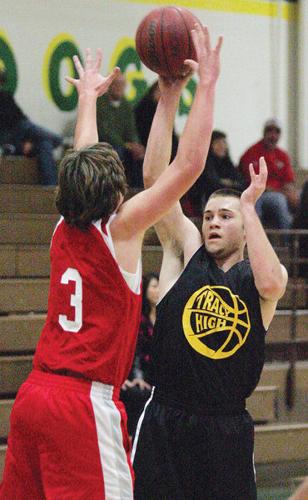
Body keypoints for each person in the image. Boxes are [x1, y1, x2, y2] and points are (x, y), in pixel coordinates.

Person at [0, 23, 223, 499]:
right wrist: (202, 88)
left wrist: (88, 100)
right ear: (116, 193)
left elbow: (82, 155)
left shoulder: (65, 224)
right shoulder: (121, 229)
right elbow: (189, 166)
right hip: (82, 403)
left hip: (33, 397)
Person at [132, 90, 288, 498]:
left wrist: (250, 207)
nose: (213, 224)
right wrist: (167, 99)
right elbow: (154, 181)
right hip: (167, 419)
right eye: (207, 217)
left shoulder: (256, 280)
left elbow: (274, 283)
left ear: (244, 224)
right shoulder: (185, 253)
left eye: (225, 216)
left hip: (225, 428)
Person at [0, 69, 62, 186]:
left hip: (22, 132)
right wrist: (18, 143)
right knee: (49, 140)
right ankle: (50, 187)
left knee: (45, 145)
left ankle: (50, 188)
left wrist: (29, 141)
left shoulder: (5, 96)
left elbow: (19, 116)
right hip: (11, 142)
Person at [239, 118, 298, 231]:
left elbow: (289, 181)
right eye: (270, 131)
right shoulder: (252, 153)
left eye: (277, 132)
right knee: (278, 201)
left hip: (279, 193)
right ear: (264, 133)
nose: (273, 135)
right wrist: (284, 193)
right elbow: (256, 184)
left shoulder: (282, 155)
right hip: (259, 194)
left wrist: (292, 194)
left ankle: (295, 244)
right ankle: (285, 242)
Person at [121, 272, 159, 437]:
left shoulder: (165, 315)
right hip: (143, 371)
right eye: (154, 286)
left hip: (159, 372)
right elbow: (136, 350)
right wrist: (137, 375)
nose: (158, 290)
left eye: (160, 286)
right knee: (139, 393)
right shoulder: (140, 318)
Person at [96, 72, 145, 187]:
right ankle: (115, 187)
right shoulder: (99, 103)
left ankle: (137, 190)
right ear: (109, 86)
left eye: (122, 84)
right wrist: (126, 145)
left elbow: (131, 129)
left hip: (124, 146)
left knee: (141, 155)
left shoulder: (126, 105)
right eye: (116, 84)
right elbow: (104, 131)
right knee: (117, 151)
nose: (119, 87)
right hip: (105, 145)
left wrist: (135, 144)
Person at [183, 129, 244, 216]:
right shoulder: (203, 164)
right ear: (209, 145)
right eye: (218, 143)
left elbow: (241, 183)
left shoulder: (228, 164)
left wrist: (225, 183)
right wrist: (226, 183)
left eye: (224, 142)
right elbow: (211, 184)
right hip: (207, 203)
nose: (222, 146)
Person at [134, 81, 179, 162]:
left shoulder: (165, 110)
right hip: (147, 146)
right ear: (154, 91)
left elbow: (171, 134)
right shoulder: (144, 108)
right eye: (161, 92)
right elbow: (144, 132)